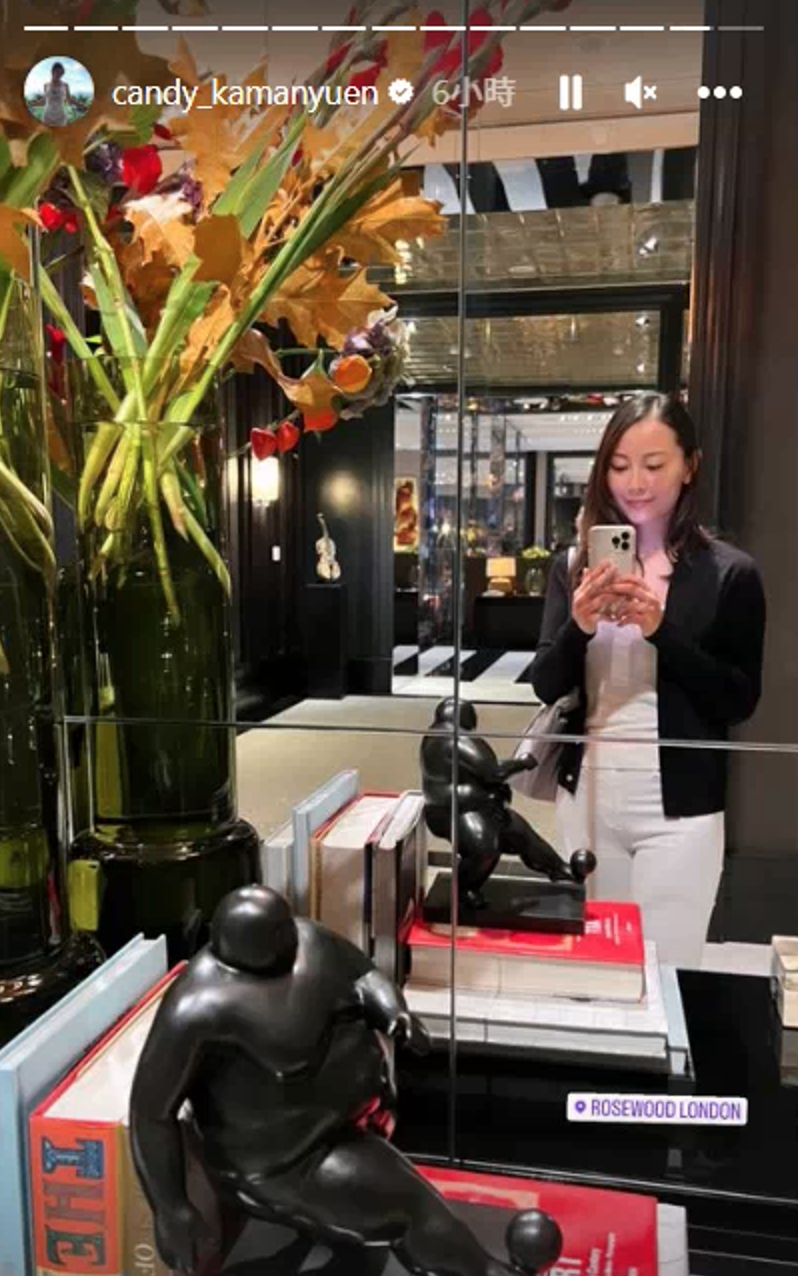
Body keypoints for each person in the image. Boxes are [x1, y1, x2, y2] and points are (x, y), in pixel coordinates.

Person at [130, 886, 562, 1276]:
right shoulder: (197, 1008)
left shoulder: (309, 940)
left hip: (352, 1123)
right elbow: (150, 1113)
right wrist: (171, 1209)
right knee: (410, 1207)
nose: (289, 945)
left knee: (402, 1195)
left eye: (286, 933)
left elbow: (364, 975)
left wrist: (394, 1012)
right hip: (289, 1161)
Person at [531, 393, 766, 967]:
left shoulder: (730, 573)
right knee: (597, 969)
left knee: (669, 969)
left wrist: (662, 631)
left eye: (654, 465)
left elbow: (737, 699)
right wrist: (579, 627)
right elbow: (544, 684)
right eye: (619, 466)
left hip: (681, 811)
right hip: (587, 797)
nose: (635, 483)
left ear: (690, 466)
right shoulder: (574, 566)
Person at [42, 62, 72, 127]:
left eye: (61, 73)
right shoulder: (46, 85)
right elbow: (43, 101)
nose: (59, 75)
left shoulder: (65, 85)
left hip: (60, 116)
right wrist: (30, 104)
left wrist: (83, 106)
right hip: (47, 116)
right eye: (58, 72)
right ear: (52, 71)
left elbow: (70, 100)